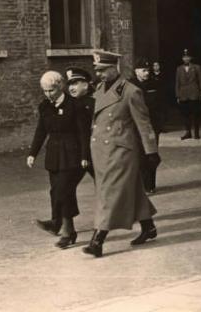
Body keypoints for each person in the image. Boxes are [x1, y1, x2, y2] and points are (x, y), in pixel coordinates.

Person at [83, 50, 161, 258]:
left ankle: (97, 240)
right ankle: (149, 227)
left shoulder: (131, 91)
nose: (99, 74)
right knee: (130, 189)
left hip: (120, 151)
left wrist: (151, 151)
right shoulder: (99, 90)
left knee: (109, 194)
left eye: (103, 70)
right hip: (101, 151)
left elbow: (144, 124)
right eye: (97, 70)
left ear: (113, 68)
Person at [27, 71, 89, 248]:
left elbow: (84, 133)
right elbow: (41, 131)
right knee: (56, 191)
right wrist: (32, 153)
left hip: (72, 155)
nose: (48, 94)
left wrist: (84, 156)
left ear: (60, 87)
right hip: (54, 156)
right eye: (45, 91)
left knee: (63, 191)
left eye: (51, 90)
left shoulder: (75, 106)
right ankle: (60, 225)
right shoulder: (45, 107)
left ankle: (65, 229)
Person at [131, 57, 162, 193]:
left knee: (152, 156)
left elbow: (162, 105)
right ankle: (142, 185)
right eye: (144, 70)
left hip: (152, 126)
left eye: (148, 70)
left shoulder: (155, 84)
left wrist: (160, 125)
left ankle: (150, 185)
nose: (147, 73)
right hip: (136, 126)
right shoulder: (130, 86)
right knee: (140, 156)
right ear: (136, 71)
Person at [66, 67, 96, 180]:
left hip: (92, 152)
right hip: (74, 153)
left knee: (103, 184)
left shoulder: (94, 103)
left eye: (75, 83)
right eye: (69, 84)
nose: (71, 88)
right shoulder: (70, 103)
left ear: (85, 85)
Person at [175, 49, 201, 139]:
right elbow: (177, 82)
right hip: (183, 94)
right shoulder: (179, 69)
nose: (186, 59)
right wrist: (177, 95)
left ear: (191, 58)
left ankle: (196, 132)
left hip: (194, 93)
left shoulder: (197, 67)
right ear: (182, 58)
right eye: (184, 57)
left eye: (187, 57)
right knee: (185, 114)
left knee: (195, 113)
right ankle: (188, 132)